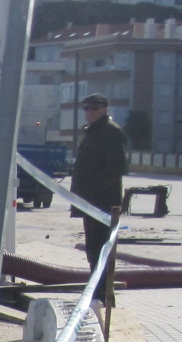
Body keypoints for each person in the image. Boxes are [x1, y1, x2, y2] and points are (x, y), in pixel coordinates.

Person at [70, 94, 129, 269]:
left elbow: (117, 168)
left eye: (94, 108)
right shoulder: (92, 132)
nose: (90, 112)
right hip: (89, 202)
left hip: (103, 204)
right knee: (92, 250)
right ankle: (95, 292)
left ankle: (101, 292)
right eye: (86, 108)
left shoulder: (111, 132)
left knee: (101, 250)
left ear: (105, 109)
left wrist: (89, 189)